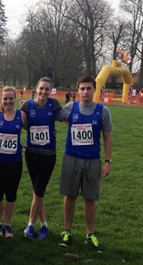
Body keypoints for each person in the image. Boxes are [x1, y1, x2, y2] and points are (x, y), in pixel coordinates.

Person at [58, 76, 113, 253]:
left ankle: (90, 234)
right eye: (82, 88)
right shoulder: (70, 107)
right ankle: (67, 231)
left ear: (94, 90)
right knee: (70, 195)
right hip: (71, 158)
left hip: (92, 161)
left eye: (89, 88)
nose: (85, 92)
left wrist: (107, 162)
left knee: (90, 198)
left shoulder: (103, 111)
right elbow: (52, 116)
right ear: (77, 90)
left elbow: (107, 137)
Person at [21, 77, 63, 239]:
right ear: (36, 89)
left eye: (47, 89)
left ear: (51, 90)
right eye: (41, 88)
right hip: (31, 153)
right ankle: (44, 225)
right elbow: (19, 121)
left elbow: (66, 118)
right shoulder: (26, 105)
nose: (44, 92)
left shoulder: (54, 104)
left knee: (38, 190)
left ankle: (30, 225)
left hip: (48, 154)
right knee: (38, 191)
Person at [0, 86, 27, 238]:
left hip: (15, 160)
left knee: (11, 193)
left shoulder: (21, 115)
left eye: (11, 98)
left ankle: (8, 224)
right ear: (1, 99)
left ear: (15, 98)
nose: (8, 101)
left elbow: (32, 128)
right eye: (5, 98)